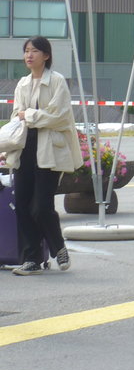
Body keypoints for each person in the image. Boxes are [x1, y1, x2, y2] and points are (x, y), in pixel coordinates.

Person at [7, 36, 83, 275]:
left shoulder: (57, 81)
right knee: (21, 205)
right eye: (26, 51)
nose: (29, 55)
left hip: (50, 151)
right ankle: (32, 259)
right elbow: (14, 117)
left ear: (46, 56)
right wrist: (30, 117)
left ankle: (58, 247)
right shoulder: (22, 83)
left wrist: (28, 115)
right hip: (25, 149)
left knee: (41, 207)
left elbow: (59, 117)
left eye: (34, 51)